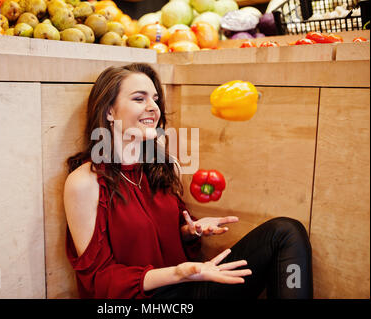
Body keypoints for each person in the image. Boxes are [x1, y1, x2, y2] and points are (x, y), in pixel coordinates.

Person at [63, 63, 313, 299]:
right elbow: (98, 279)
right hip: (149, 297)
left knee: (285, 232)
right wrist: (178, 273)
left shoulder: (163, 165)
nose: (153, 107)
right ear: (109, 111)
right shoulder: (85, 182)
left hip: (189, 282)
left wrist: (190, 231)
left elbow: (160, 238)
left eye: (155, 99)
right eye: (139, 99)